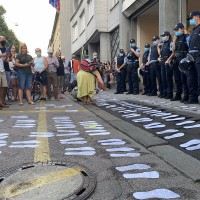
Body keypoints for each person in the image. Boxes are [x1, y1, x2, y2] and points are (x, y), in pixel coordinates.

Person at [167, 23, 189, 102]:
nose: (176, 31)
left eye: (178, 30)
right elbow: (173, 50)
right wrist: (174, 40)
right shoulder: (176, 39)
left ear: (182, 28)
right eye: (175, 30)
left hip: (183, 59)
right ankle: (178, 94)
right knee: (177, 78)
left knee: (184, 78)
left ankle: (186, 95)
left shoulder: (186, 37)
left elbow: (189, 47)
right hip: (176, 59)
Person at [185, 11, 200, 104]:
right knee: (191, 78)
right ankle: (192, 97)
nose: (190, 21)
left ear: (196, 17)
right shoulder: (193, 30)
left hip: (199, 56)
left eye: (191, 18)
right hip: (191, 57)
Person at [158, 31, 173, 99]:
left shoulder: (170, 43)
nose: (163, 37)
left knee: (168, 78)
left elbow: (173, 52)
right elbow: (160, 54)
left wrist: (169, 59)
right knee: (163, 78)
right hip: (162, 62)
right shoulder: (163, 44)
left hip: (167, 62)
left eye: (164, 36)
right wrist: (159, 58)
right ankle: (165, 93)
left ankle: (169, 93)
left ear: (168, 36)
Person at [0, 35, 9, 108]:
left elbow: (3, 60)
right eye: (2, 39)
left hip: (2, 69)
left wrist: (6, 57)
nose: (3, 41)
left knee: (4, 86)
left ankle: (1, 101)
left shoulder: (2, 49)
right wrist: (3, 55)